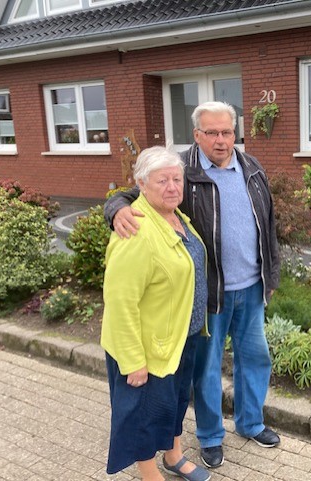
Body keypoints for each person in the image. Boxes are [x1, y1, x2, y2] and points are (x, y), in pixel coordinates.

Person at [104, 101, 281, 469]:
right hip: (211, 292)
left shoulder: (252, 168)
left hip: (252, 286)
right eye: (211, 133)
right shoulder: (181, 169)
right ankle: (211, 437)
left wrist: (272, 275)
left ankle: (251, 423)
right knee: (206, 369)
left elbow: (268, 225)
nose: (220, 140)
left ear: (236, 133)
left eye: (227, 132)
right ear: (197, 135)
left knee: (255, 358)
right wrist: (115, 208)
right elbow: (137, 192)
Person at [101, 146, 210, 481]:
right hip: (150, 345)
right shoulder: (135, 229)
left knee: (175, 403)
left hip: (182, 336)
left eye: (177, 179)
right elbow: (120, 302)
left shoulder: (177, 218)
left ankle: (174, 456)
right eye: (162, 181)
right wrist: (133, 359)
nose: (172, 187)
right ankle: (150, 474)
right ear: (141, 184)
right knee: (145, 415)